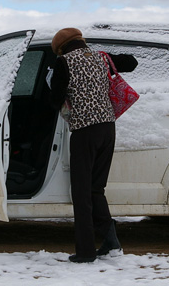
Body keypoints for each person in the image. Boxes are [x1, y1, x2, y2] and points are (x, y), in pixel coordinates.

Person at [48, 28, 138, 263]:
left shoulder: (64, 62)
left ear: (61, 48)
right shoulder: (101, 57)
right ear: (81, 40)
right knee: (96, 189)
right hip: (108, 129)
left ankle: (86, 251)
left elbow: (54, 100)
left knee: (81, 193)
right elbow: (132, 62)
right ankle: (110, 243)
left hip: (85, 132)